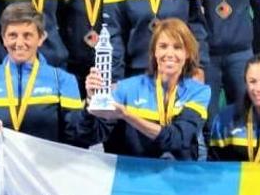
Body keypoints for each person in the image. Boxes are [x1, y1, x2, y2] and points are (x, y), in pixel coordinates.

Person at [0, 3, 90, 195]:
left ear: (41, 38)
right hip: (2, 184)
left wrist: (91, 107)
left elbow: (77, 137)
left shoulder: (63, 80)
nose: (19, 43)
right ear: (3, 38)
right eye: (12, 35)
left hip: (49, 184)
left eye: (27, 35)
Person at [82, 18, 211, 159]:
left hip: (178, 171)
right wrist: (91, 100)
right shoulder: (127, 88)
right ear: (154, 52)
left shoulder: (198, 91)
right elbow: (91, 136)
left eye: (177, 47)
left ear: (187, 53)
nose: (169, 53)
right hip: (134, 171)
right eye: (163, 46)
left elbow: (178, 139)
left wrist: (127, 115)